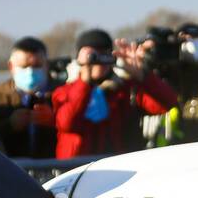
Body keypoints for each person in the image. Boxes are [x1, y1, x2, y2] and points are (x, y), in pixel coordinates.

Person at [52, 28, 177, 159]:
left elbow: (167, 103)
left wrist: (141, 74)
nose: (98, 61)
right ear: (79, 58)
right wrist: (84, 82)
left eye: (104, 54)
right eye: (93, 55)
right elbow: (67, 123)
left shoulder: (125, 89)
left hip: (121, 170)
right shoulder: (64, 92)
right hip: (77, 172)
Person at [0, 36, 57, 158]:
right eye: (23, 66)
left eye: (37, 66)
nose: (30, 72)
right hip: (12, 170)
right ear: (11, 66)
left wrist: (55, 121)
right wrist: (10, 124)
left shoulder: (61, 93)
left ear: (46, 65)